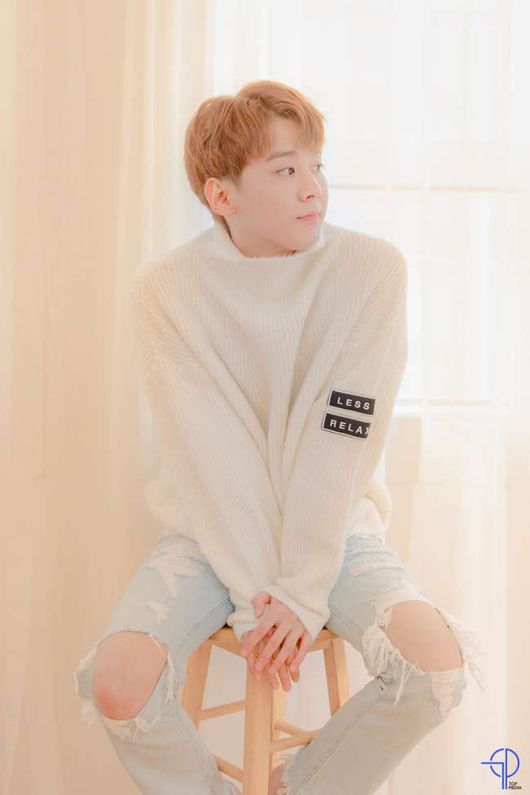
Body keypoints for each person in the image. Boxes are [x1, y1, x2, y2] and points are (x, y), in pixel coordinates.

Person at [73, 79, 485, 795]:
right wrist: (260, 595)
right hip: (209, 532)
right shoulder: (167, 290)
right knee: (117, 684)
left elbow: (341, 440)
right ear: (221, 195)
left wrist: (301, 589)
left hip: (333, 530)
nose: (313, 188)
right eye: (286, 169)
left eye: (316, 166)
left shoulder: (370, 272)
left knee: (436, 668)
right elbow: (213, 457)